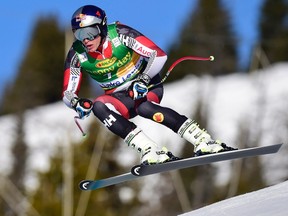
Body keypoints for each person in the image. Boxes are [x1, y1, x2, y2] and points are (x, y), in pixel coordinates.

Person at [62, 5, 235, 165]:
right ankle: (150, 149)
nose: (86, 40)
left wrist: (143, 79)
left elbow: (158, 55)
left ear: (103, 27)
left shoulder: (120, 34)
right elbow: (67, 93)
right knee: (98, 106)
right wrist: (76, 103)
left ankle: (203, 140)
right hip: (119, 97)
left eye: (90, 32)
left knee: (144, 108)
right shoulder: (77, 53)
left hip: (147, 84)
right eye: (79, 34)